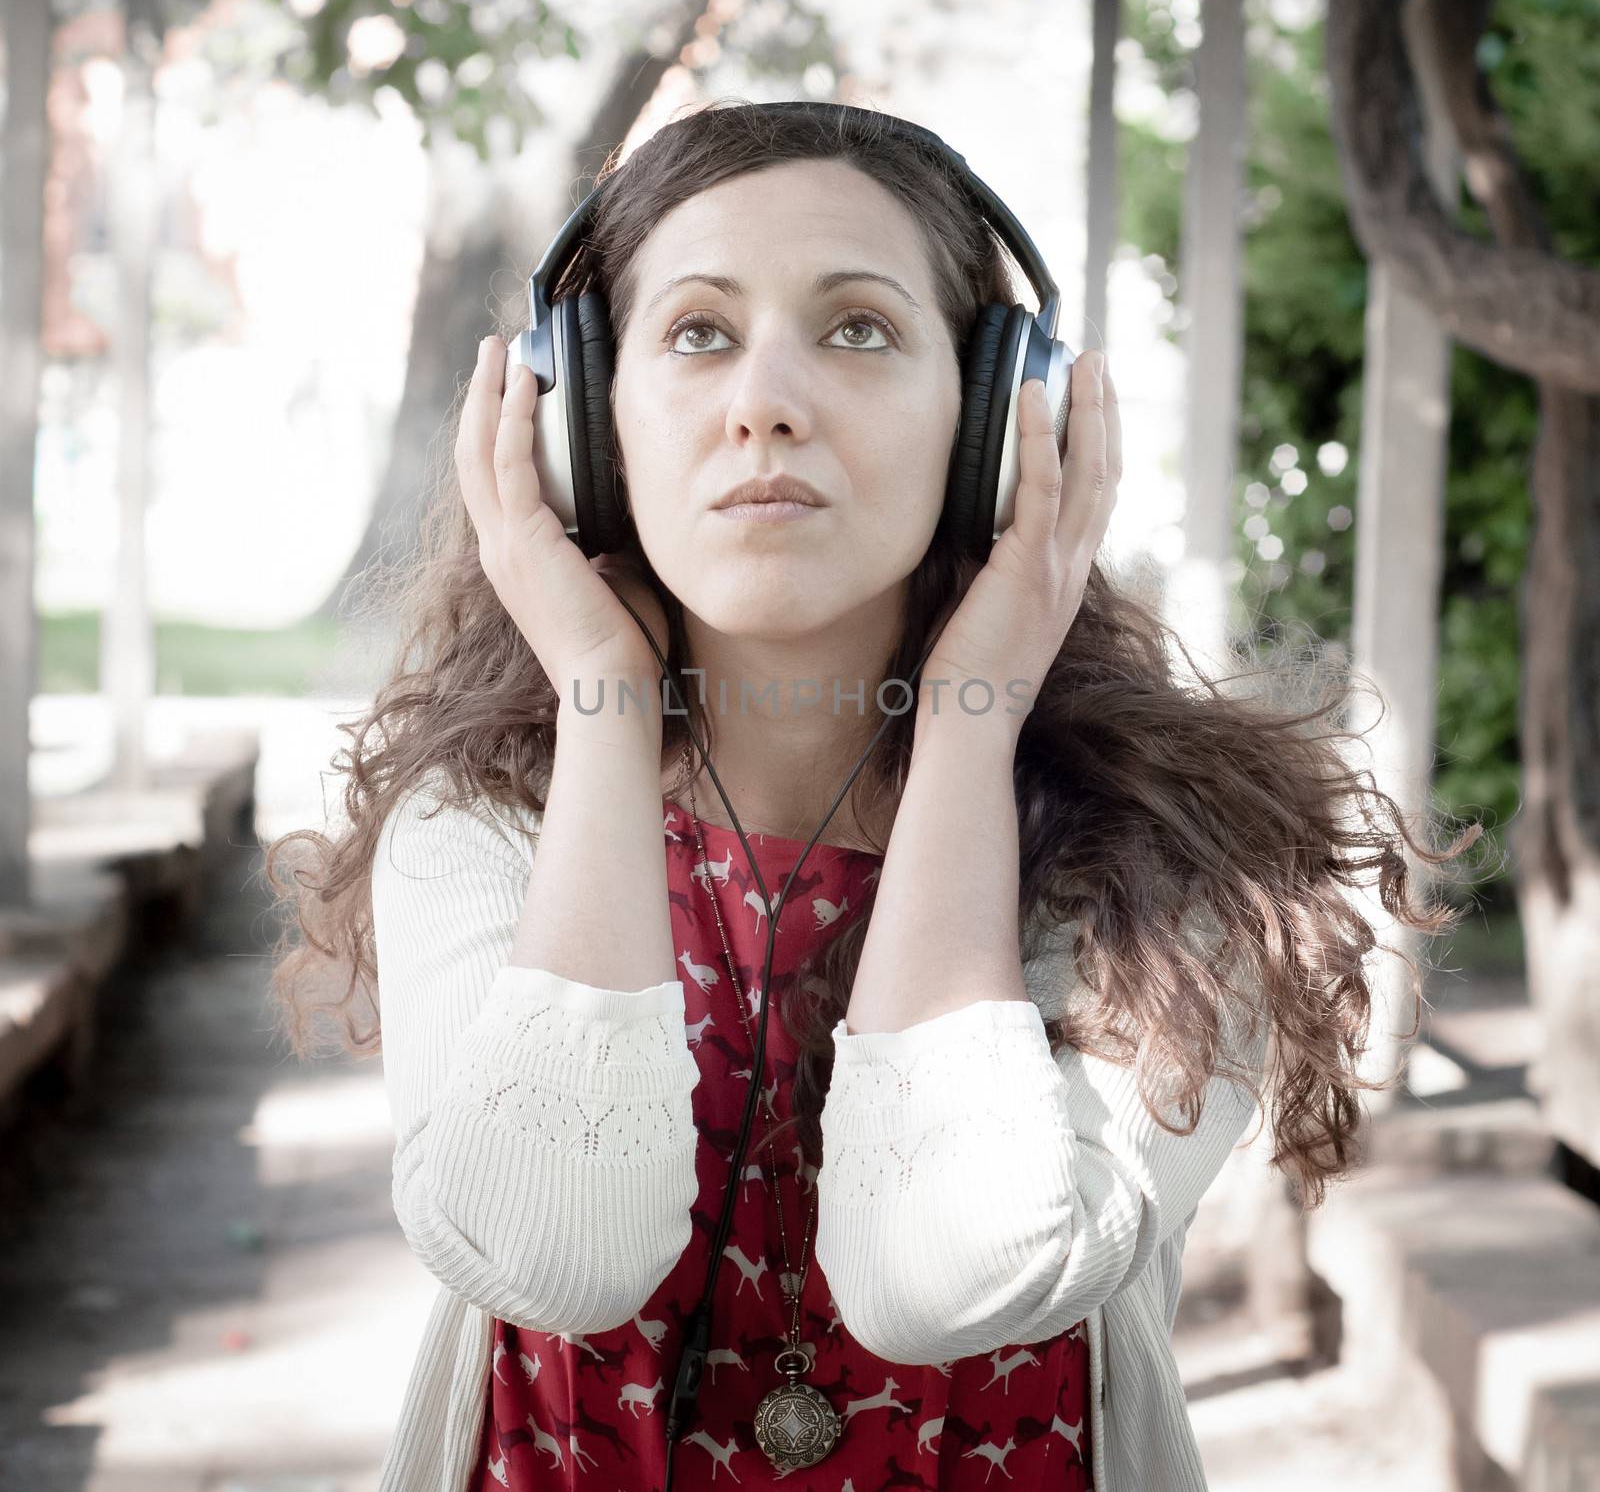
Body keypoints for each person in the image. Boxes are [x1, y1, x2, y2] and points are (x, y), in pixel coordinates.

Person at [265, 97, 1483, 1492]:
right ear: (576, 426)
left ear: (996, 423)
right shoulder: (483, 828)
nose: (765, 401)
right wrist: (600, 702)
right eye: (698, 332)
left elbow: (946, 1279)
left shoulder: (1168, 867)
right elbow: (559, 1254)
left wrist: (971, 726)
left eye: (858, 329)